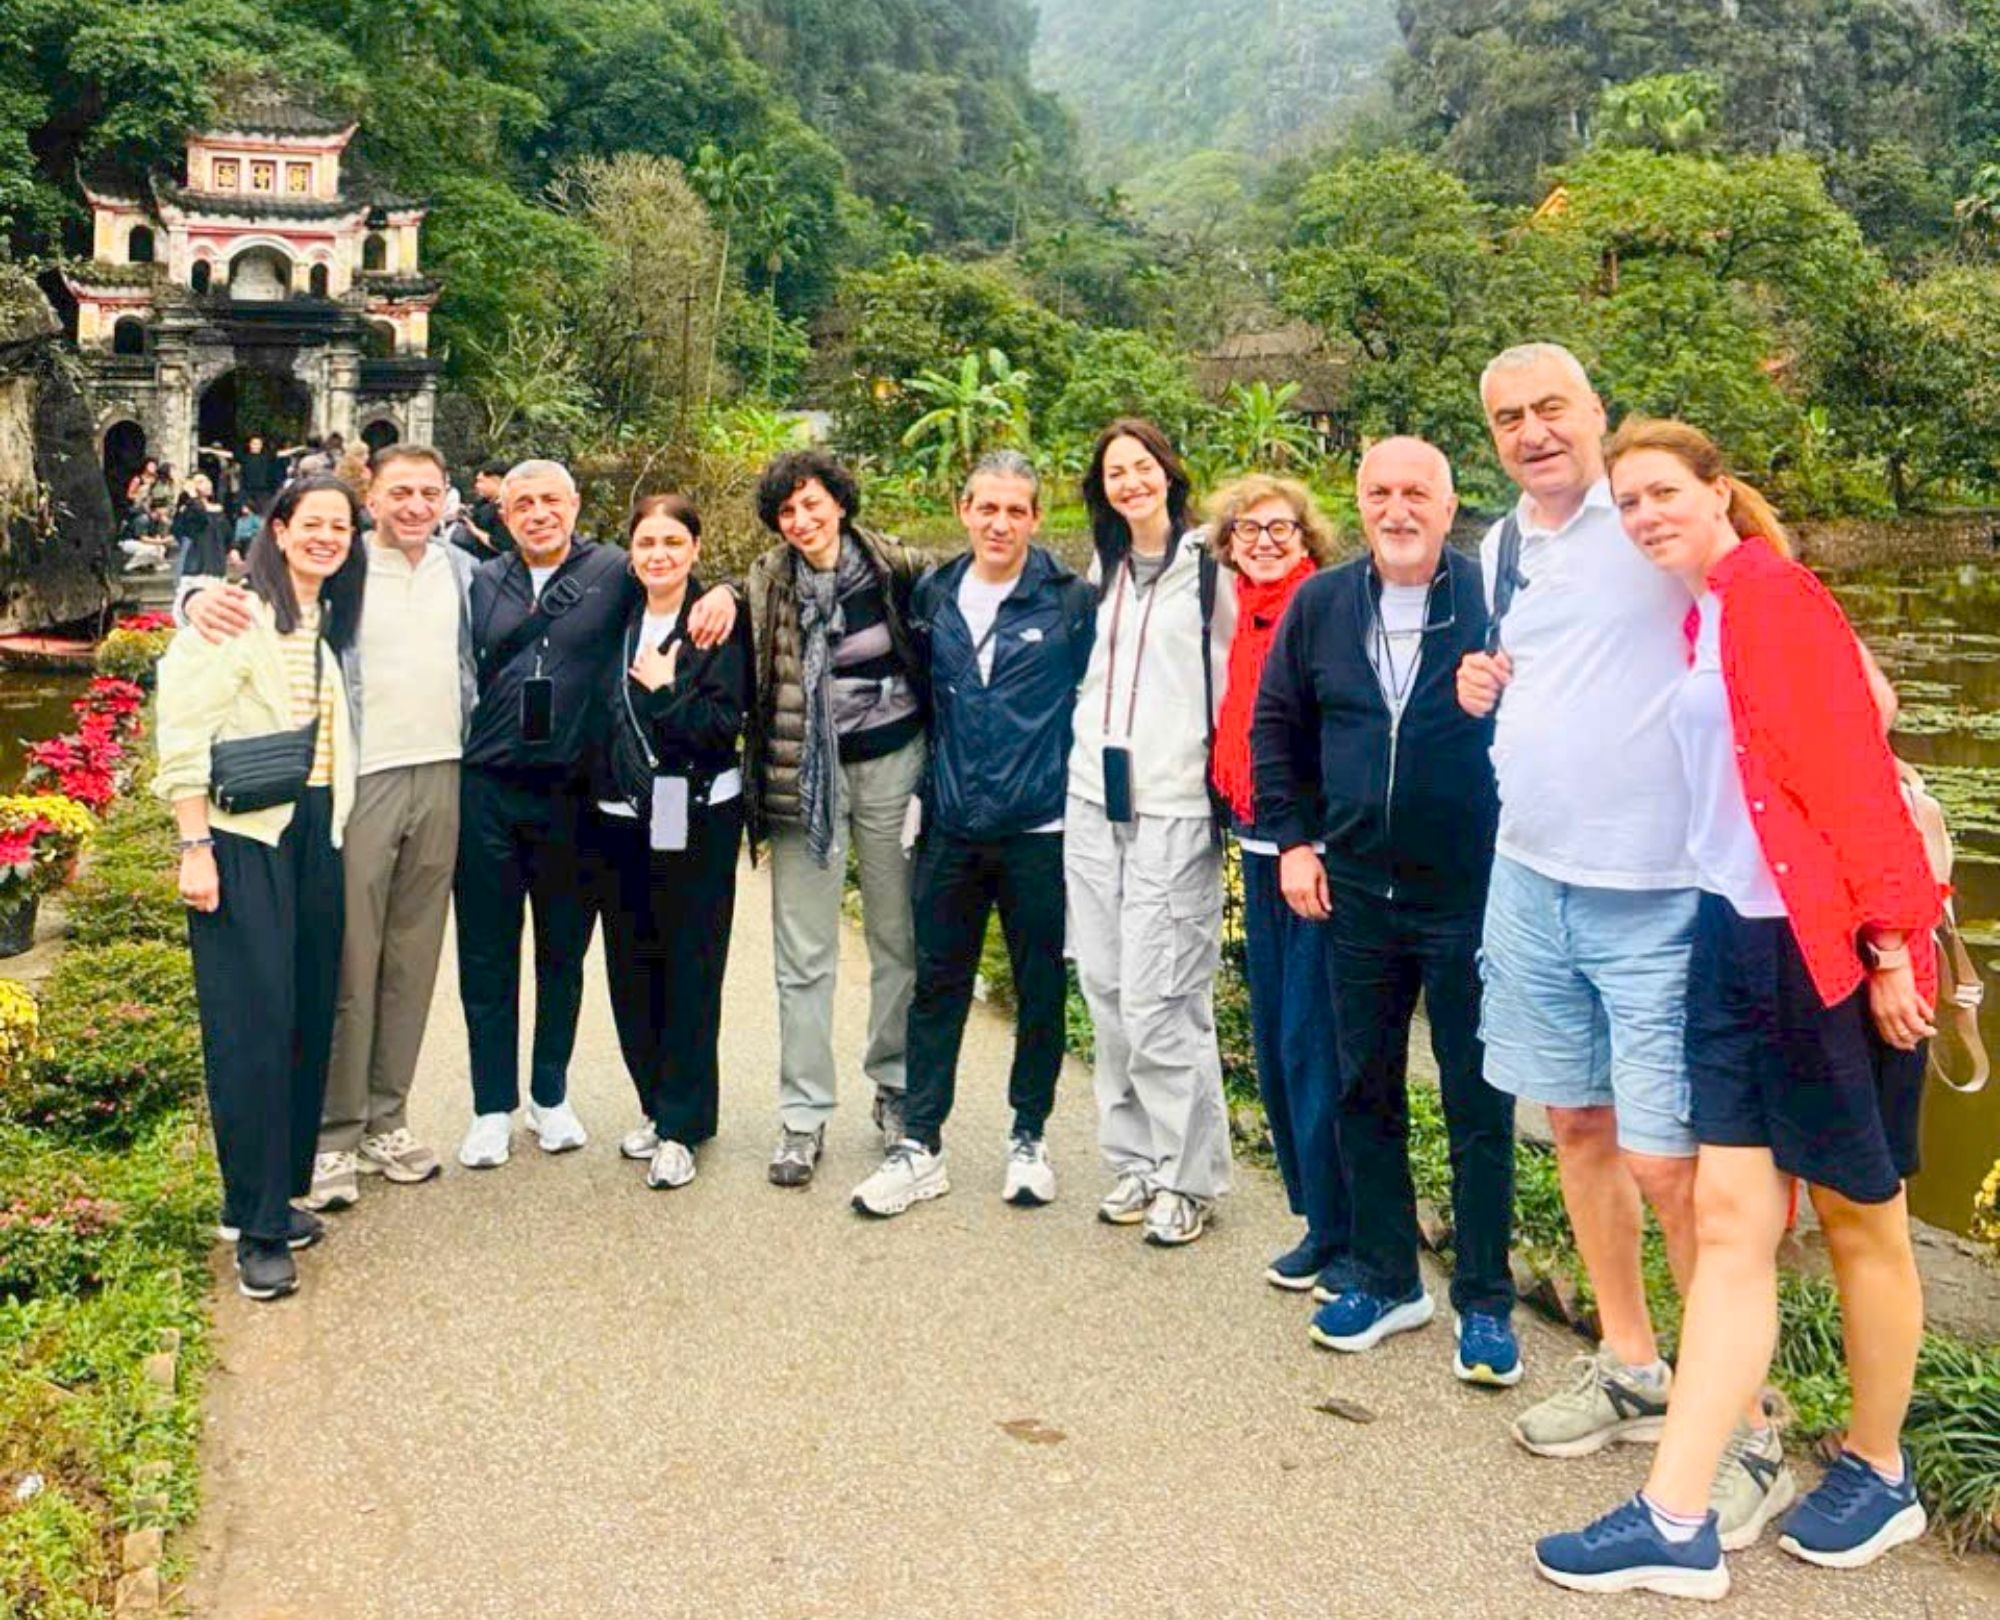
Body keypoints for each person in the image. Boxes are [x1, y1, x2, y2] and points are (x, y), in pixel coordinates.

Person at [1535, 421, 1941, 1599]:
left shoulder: (1771, 597)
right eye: (1628, 502)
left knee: (1862, 1214)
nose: (1646, 513)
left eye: (1663, 491)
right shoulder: (1697, 613)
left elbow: (1853, 779)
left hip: (1823, 947)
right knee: (1728, 1226)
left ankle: (1878, 1469)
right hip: (1731, 943)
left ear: (1717, 492)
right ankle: (1674, 1514)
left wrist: (1885, 946)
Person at [1454, 345, 1783, 1534]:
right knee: (1577, 1126)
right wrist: (1482, 684)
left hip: (1656, 889)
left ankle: (1744, 1425)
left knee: (1669, 1163)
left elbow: (1774, 630)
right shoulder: (1504, 546)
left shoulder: (1652, 513)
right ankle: (1632, 1360)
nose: (1531, 432)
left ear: (1593, 410)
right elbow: (1555, 666)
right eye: (1506, 418)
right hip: (1529, 874)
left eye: (1550, 408)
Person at [1254, 439, 1518, 1383]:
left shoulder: (1495, 602)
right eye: (1380, 493)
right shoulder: (1323, 603)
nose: (1398, 509)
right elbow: (1276, 728)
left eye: (1418, 493)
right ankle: (1386, 1273)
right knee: (1362, 1084)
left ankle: (1485, 1299)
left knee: (1477, 1097)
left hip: (1471, 893)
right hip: (1355, 888)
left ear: (1452, 508)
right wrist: (1292, 840)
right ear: (1358, 506)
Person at [177, 446, 482, 1211]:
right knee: (348, 961)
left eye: (429, 492)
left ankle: (388, 1119)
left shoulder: (467, 571)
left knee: (413, 960)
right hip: (359, 782)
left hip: (443, 771)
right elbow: (254, 602)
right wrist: (190, 596)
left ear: (446, 500)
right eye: (398, 492)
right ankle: (334, 1134)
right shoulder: (346, 575)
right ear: (370, 498)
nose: (415, 505)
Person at [455, 458, 736, 1170]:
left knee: (564, 953)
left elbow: (680, 574)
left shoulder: (612, 570)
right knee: (487, 953)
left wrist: (729, 589)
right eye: (523, 503)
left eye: (552, 499)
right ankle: (492, 1106)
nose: (539, 513)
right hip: (488, 788)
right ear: (504, 511)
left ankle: (549, 1095)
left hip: (573, 795)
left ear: (577, 504)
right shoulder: (481, 579)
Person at [849, 451, 1096, 1218]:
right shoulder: (934, 593)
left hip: (1039, 828)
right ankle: (920, 1141)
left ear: (1035, 517)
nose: (1000, 522)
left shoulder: (1067, 601)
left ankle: (1030, 1135)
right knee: (937, 986)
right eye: (986, 508)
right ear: (963, 509)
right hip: (953, 826)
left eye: (1016, 510)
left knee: (1040, 987)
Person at [153, 475, 364, 1301]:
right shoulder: (232, 613)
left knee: (310, 1012)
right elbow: (183, 736)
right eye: (311, 523)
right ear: (277, 529)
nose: (326, 536)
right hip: (244, 838)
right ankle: (254, 1227)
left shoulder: (332, 612)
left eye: (340, 525)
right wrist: (193, 845)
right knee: (253, 1025)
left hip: (317, 830)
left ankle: (280, 1189)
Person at [1065, 418, 1236, 1247]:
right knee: (1104, 989)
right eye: (1114, 472)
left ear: (1169, 473)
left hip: (1175, 804)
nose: (1130, 482)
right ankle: (1132, 1159)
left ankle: (1190, 1175)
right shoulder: (1102, 569)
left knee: (1163, 997)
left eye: (1142, 467)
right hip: (1094, 800)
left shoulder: (1215, 568)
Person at [744, 449, 933, 1188]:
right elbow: (732, 604)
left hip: (894, 766)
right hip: (803, 779)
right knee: (803, 954)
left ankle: (894, 1086)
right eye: (787, 511)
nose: (803, 520)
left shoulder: (897, 567)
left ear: (842, 503)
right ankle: (802, 1114)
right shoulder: (766, 583)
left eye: (813, 504)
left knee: (897, 937)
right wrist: (721, 598)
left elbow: (972, 585)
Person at [1203, 473, 1349, 1291]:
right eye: (1247, 531)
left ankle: (1340, 1227)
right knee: (1273, 1043)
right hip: (1257, 845)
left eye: (1281, 530)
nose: (1263, 542)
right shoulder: (1240, 620)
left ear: (1307, 540)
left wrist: (1311, 839)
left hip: (1315, 850)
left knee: (1312, 1043)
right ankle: (1317, 1218)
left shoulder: (1322, 613)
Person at [590, 494, 751, 1191]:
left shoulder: (714, 624)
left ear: (694, 550)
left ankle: (684, 1124)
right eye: (647, 542)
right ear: (632, 552)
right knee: (631, 965)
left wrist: (663, 691)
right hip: (619, 812)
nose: (659, 554)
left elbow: (721, 726)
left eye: (673, 542)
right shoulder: (615, 619)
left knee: (690, 962)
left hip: (691, 807)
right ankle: (656, 1105)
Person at [171, 474, 234, 580]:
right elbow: (200, 518)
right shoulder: (188, 509)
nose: (207, 484)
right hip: (197, 564)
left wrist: (233, 549)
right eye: (200, 482)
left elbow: (227, 533)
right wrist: (193, 496)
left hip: (217, 562)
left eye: (207, 480)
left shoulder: (218, 509)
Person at [458, 459, 516, 558]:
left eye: (480, 481)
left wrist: (474, 530)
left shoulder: (507, 507)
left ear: (496, 481)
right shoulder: (483, 503)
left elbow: (502, 545)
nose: (476, 486)